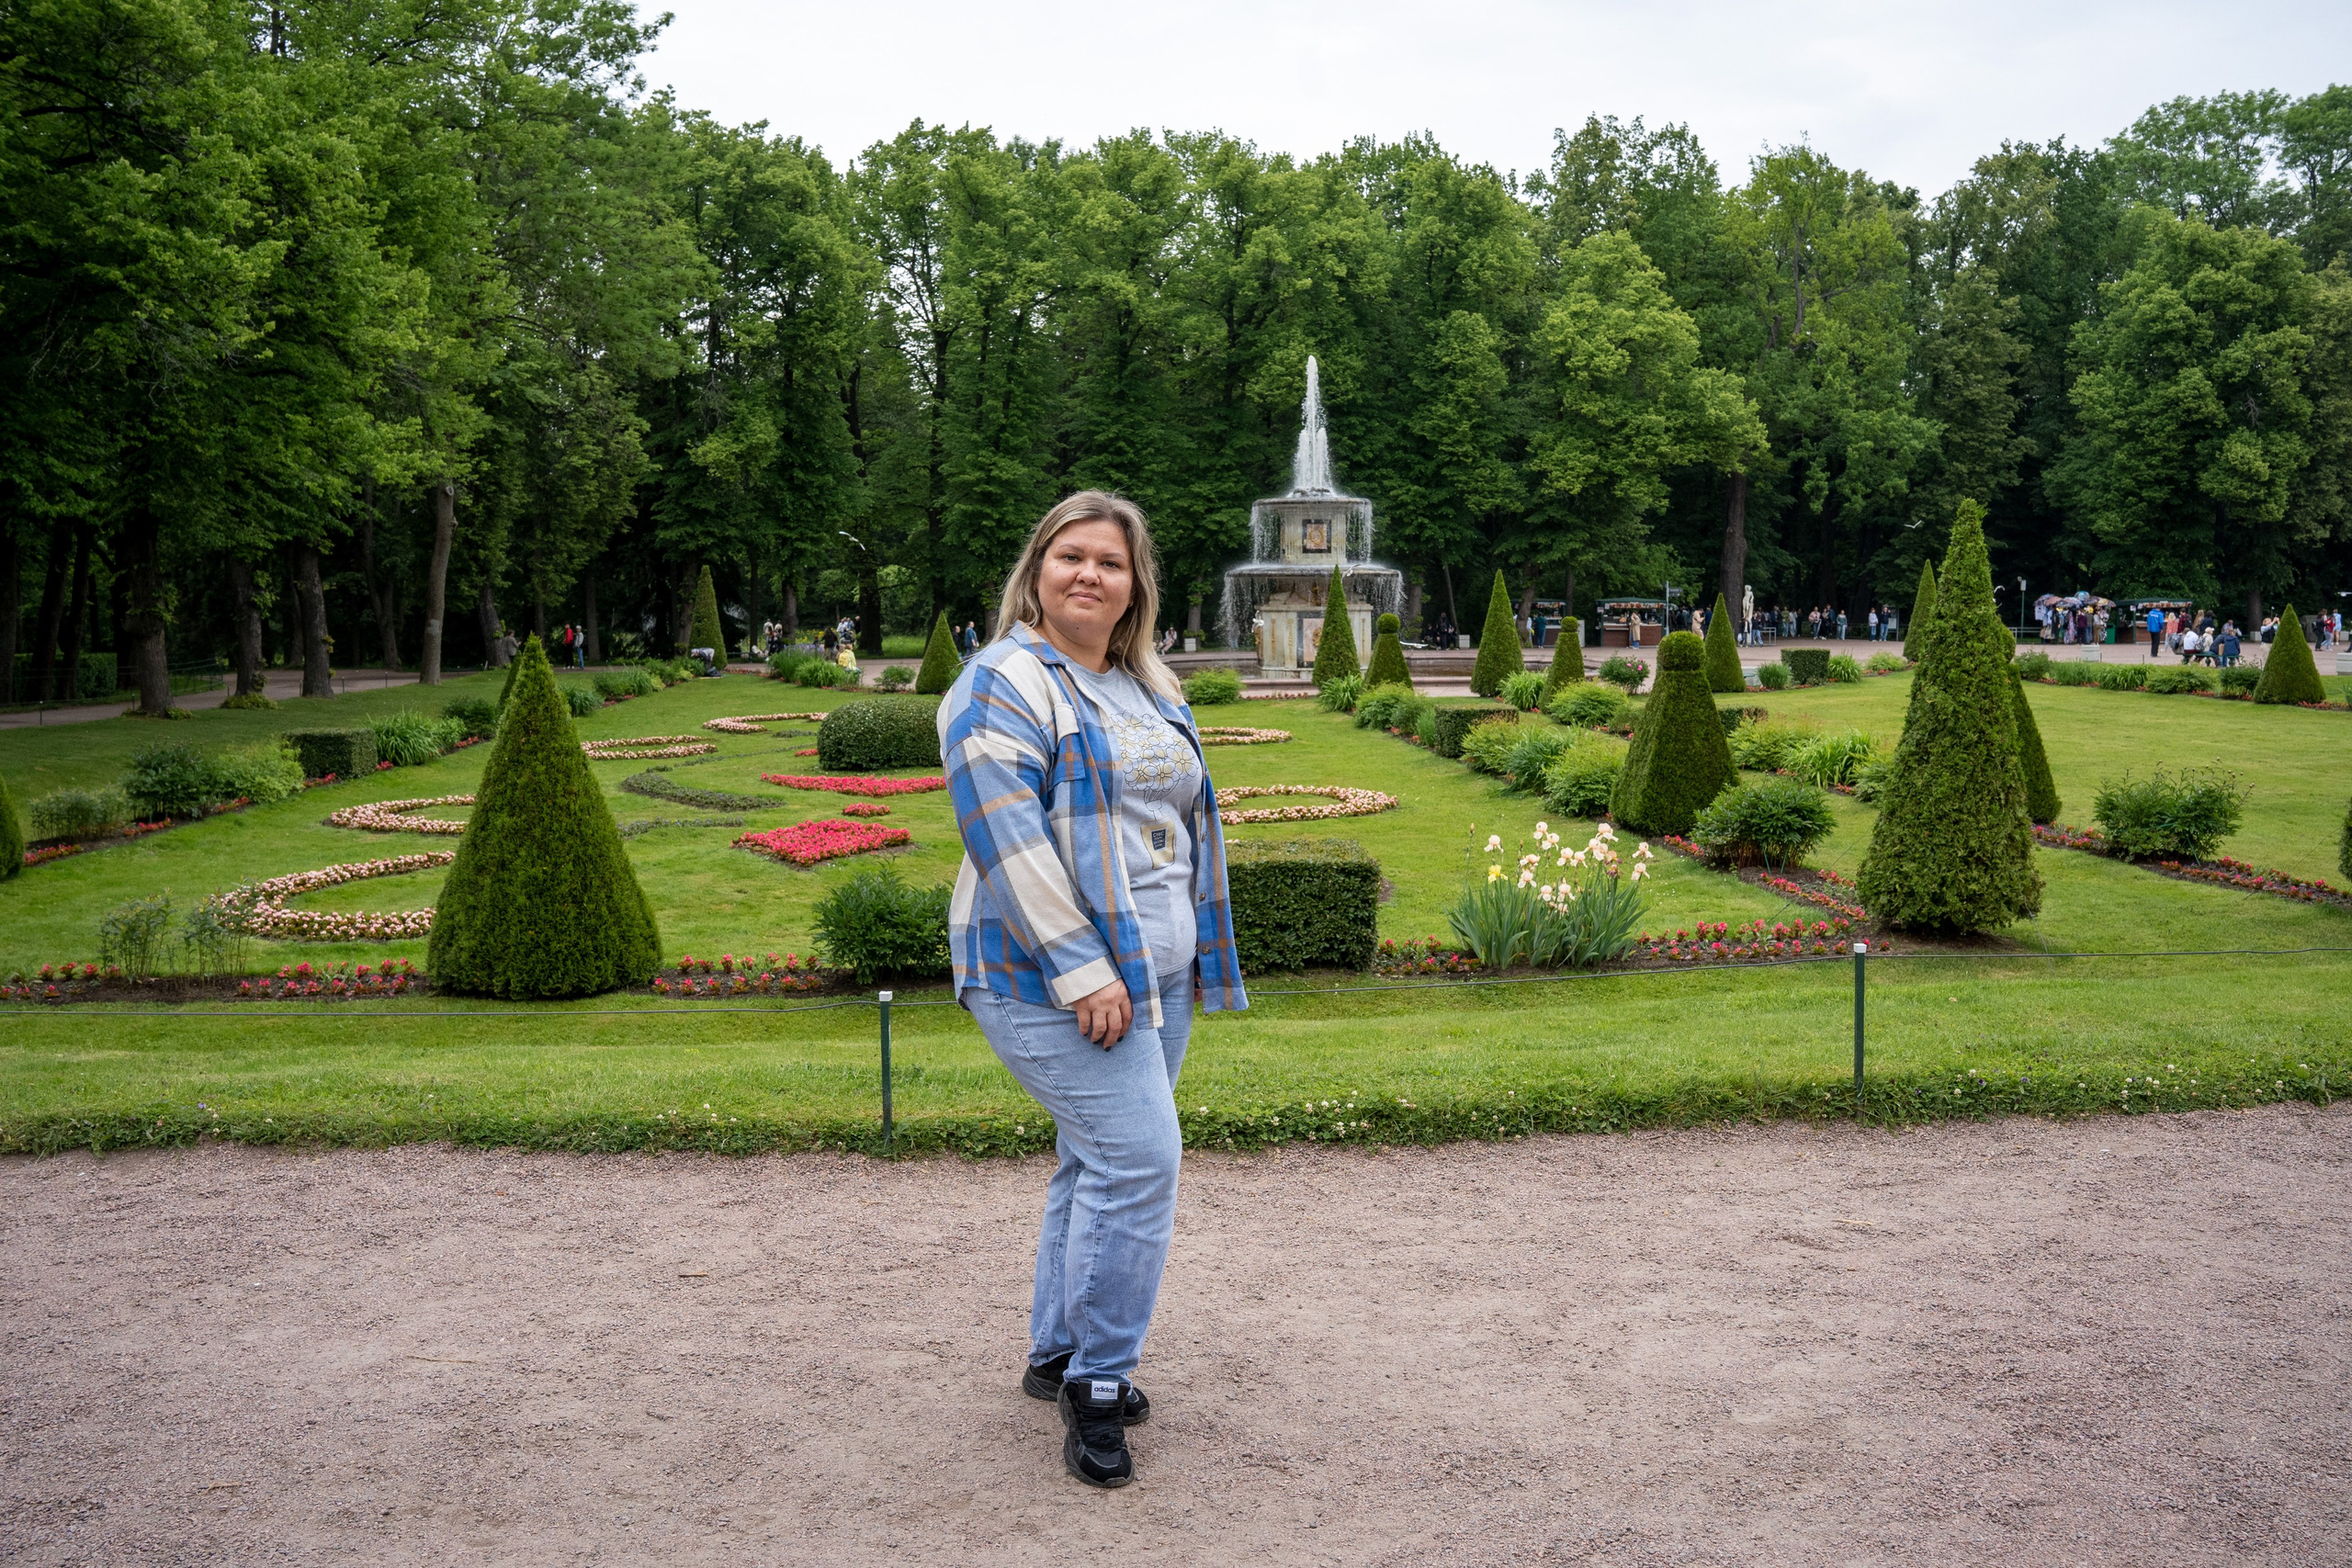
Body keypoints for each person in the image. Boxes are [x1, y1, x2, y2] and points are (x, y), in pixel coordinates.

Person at [938, 491, 1248, 1491]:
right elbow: (1005, 834)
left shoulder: (1148, 686)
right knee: (1142, 1160)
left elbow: (1181, 830)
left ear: (1134, 586)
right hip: (1046, 977)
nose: (1088, 575)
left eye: (1109, 563)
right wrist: (1083, 969)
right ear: (1035, 574)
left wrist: (1194, 951)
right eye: (1069, 556)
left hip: (1159, 976)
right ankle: (1100, 1385)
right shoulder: (1002, 682)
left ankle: (1055, 1352)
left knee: (1093, 1163)